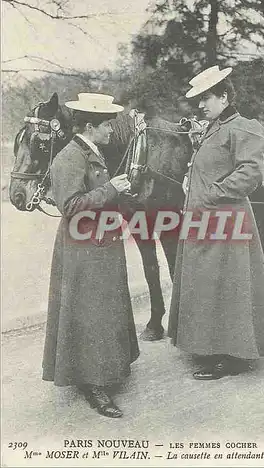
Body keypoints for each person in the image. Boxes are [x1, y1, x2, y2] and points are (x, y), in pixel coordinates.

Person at [168, 66, 264, 380]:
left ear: (224, 95)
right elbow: (208, 166)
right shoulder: (213, 127)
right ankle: (210, 345)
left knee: (226, 286)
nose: (201, 105)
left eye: (206, 98)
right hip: (204, 218)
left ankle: (232, 356)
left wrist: (212, 193)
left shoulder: (243, 127)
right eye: (198, 100)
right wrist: (190, 183)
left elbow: (249, 173)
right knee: (207, 283)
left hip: (226, 217)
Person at [42, 93, 139, 417]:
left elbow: (98, 196)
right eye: (107, 124)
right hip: (84, 251)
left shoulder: (91, 152)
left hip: (99, 245)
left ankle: (105, 370)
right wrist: (112, 188)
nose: (111, 130)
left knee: (103, 311)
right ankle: (93, 385)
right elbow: (69, 206)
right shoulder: (69, 158)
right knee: (90, 314)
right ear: (89, 126)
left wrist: (122, 195)